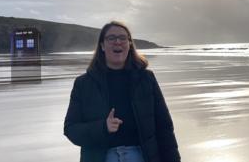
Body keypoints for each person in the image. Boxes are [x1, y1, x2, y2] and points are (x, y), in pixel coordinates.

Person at [64, 21, 181, 162]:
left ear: (129, 44)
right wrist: (103, 127)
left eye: (123, 38)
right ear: (102, 45)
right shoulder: (83, 84)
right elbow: (71, 129)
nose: (117, 42)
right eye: (111, 38)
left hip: (142, 156)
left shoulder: (146, 79)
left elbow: (164, 128)